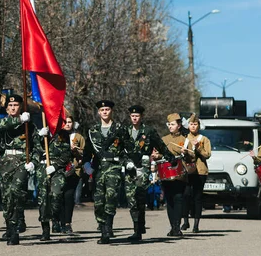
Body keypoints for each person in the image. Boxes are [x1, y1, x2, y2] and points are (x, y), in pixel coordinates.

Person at [122, 105, 175, 241]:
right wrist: (124, 162)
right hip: (129, 169)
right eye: (132, 116)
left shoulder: (149, 131)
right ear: (130, 117)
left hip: (143, 169)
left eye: (137, 116)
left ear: (141, 117)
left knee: (140, 198)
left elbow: (160, 145)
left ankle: (139, 228)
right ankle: (136, 227)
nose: (135, 118)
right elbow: (119, 149)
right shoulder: (125, 131)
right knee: (131, 200)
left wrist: (170, 158)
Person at [82, 100, 127, 244]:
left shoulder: (119, 128)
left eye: (107, 109)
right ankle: (102, 228)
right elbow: (87, 151)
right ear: (98, 112)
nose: (105, 112)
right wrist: (86, 164)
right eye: (102, 110)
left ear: (111, 111)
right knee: (99, 201)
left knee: (111, 196)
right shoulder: (92, 131)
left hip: (113, 166)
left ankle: (108, 226)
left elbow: (128, 147)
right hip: (98, 169)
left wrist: (129, 163)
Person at [0, 94, 36, 246]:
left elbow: (36, 145)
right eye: (10, 106)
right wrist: (19, 120)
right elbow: (0, 127)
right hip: (5, 162)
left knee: (16, 190)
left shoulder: (28, 125)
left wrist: (33, 162)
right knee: (6, 197)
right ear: (6, 109)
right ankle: (11, 228)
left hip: (22, 162)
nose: (13, 108)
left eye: (16, 105)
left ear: (21, 107)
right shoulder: (2, 122)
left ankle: (16, 227)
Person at [35, 119, 76, 241]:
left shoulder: (63, 134)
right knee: (43, 199)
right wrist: (40, 137)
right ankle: (45, 229)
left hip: (57, 170)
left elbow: (67, 154)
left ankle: (55, 217)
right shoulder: (41, 134)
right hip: (43, 168)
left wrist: (56, 166)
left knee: (56, 194)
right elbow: (34, 150)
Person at [159, 113, 192, 237]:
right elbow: (158, 154)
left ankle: (177, 227)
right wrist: (157, 155)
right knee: (170, 200)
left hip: (180, 174)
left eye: (172, 124)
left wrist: (186, 153)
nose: (170, 126)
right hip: (166, 174)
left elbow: (191, 157)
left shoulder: (185, 140)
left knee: (178, 199)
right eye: (169, 124)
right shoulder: (164, 139)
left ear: (179, 125)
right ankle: (173, 227)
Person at [181, 114, 212, 233]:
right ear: (188, 126)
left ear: (199, 126)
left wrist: (198, 148)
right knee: (186, 195)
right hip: (187, 170)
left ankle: (196, 224)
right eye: (191, 124)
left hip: (200, 171)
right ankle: (185, 221)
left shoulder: (204, 139)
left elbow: (208, 154)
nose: (193, 126)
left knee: (197, 197)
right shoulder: (184, 139)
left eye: (195, 124)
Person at [56, 116, 85, 235]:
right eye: (65, 122)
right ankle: (58, 221)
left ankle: (67, 223)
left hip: (73, 171)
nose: (67, 124)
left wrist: (76, 151)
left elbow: (84, 153)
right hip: (59, 170)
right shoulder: (57, 136)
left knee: (68, 196)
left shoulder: (78, 137)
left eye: (69, 122)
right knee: (58, 196)